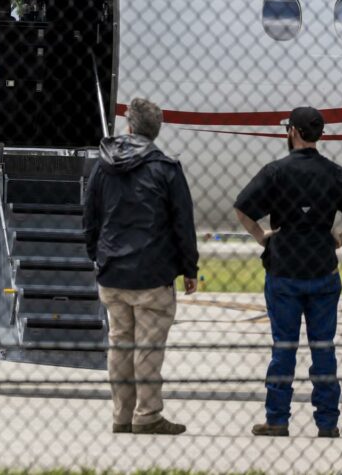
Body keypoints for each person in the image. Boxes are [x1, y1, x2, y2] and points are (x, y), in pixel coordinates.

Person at [235, 106, 342, 439]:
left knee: (283, 348)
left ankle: (277, 419)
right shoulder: (336, 173)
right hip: (323, 269)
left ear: (293, 132)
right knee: (323, 348)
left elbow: (243, 209)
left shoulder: (275, 171)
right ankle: (327, 423)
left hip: (285, 269)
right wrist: (340, 238)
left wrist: (263, 237)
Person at [83, 97, 199, 435]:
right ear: (155, 131)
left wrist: (97, 254)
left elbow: (89, 216)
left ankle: (121, 415)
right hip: (152, 272)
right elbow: (183, 223)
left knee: (120, 343)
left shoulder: (103, 166)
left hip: (112, 271)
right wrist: (189, 268)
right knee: (147, 347)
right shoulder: (166, 168)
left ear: (129, 127)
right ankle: (147, 416)